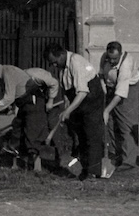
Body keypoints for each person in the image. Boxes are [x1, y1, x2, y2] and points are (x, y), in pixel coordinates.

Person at [44, 43, 105, 180]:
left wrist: (68, 111)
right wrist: (67, 103)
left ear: (61, 54)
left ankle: (93, 171)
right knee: (80, 135)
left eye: (54, 62)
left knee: (91, 134)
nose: (54, 65)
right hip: (79, 99)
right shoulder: (61, 67)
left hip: (91, 98)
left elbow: (83, 92)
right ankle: (84, 169)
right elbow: (68, 89)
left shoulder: (75, 62)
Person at [0, 58, 49, 171]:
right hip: (23, 104)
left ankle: (37, 169)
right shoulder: (1, 76)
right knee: (16, 132)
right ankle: (16, 164)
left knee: (31, 134)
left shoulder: (8, 72)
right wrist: (11, 107)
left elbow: (8, 98)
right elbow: (15, 94)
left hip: (33, 103)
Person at [99, 41, 139, 172]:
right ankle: (114, 155)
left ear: (120, 54)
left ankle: (128, 161)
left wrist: (106, 110)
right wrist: (104, 88)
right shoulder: (104, 57)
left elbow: (121, 93)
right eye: (109, 59)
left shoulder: (125, 65)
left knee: (125, 125)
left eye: (115, 59)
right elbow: (101, 75)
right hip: (111, 90)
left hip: (127, 91)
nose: (111, 62)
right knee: (110, 124)